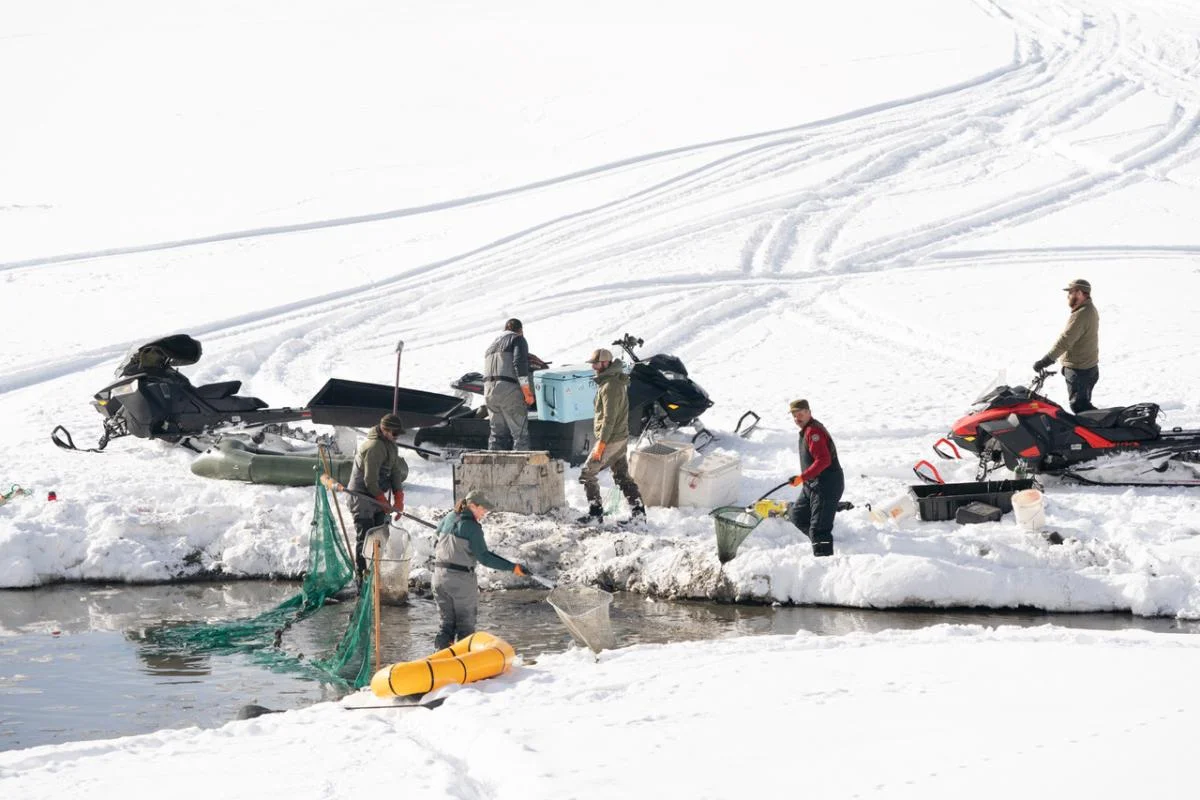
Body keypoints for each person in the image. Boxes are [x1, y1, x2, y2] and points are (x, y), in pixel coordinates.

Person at [432, 489, 531, 649]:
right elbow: (484, 557)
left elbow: (436, 537)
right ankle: (465, 664)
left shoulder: (449, 517)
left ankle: (439, 659)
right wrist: (513, 567)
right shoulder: (473, 527)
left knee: (446, 624)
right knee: (465, 626)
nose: (485, 512)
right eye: (483, 508)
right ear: (472, 506)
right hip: (461, 582)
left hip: (438, 579)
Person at [577, 347, 645, 523]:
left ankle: (595, 512)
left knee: (587, 473)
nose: (593, 367)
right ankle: (638, 515)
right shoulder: (610, 381)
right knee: (621, 475)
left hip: (612, 438)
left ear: (606, 363)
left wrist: (602, 443)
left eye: (596, 364)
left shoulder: (610, 385)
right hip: (618, 437)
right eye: (592, 364)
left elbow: (609, 417)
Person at [345, 413, 408, 579]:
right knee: (366, 538)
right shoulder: (374, 447)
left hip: (376, 496)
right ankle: (363, 577)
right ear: (385, 430)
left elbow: (395, 472)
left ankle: (375, 574)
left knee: (380, 535)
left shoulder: (391, 446)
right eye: (394, 434)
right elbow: (370, 480)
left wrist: (399, 497)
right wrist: (383, 502)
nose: (396, 437)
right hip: (362, 497)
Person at [787, 399, 844, 558]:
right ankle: (820, 538)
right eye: (794, 415)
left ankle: (824, 561)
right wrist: (803, 479)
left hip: (826, 486)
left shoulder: (814, 432)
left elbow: (823, 460)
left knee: (818, 529)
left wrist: (802, 477)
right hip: (811, 485)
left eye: (801, 413)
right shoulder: (807, 430)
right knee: (797, 516)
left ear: (809, 412)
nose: (798, 418)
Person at [1033, 278, 1100, 413]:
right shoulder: (1089, 309)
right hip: (1087, 368)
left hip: (1080, 370)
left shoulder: (1082, 314)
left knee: (1080, 408)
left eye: (1071, 292)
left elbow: (1065, 341)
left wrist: (1046, 360)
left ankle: (1100, 432)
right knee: (1083, 407)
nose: (1068, 296)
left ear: (1080, 293)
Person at [483, 318, 535, 450]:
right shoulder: (517, 339)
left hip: (489, 392)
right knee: (520, 435)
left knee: (496, 434)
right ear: (520, 330)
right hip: (508, 391)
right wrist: (527, 392)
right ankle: (522, 467)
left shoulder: (490, 346)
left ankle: (492, 465)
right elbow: (519, 364)